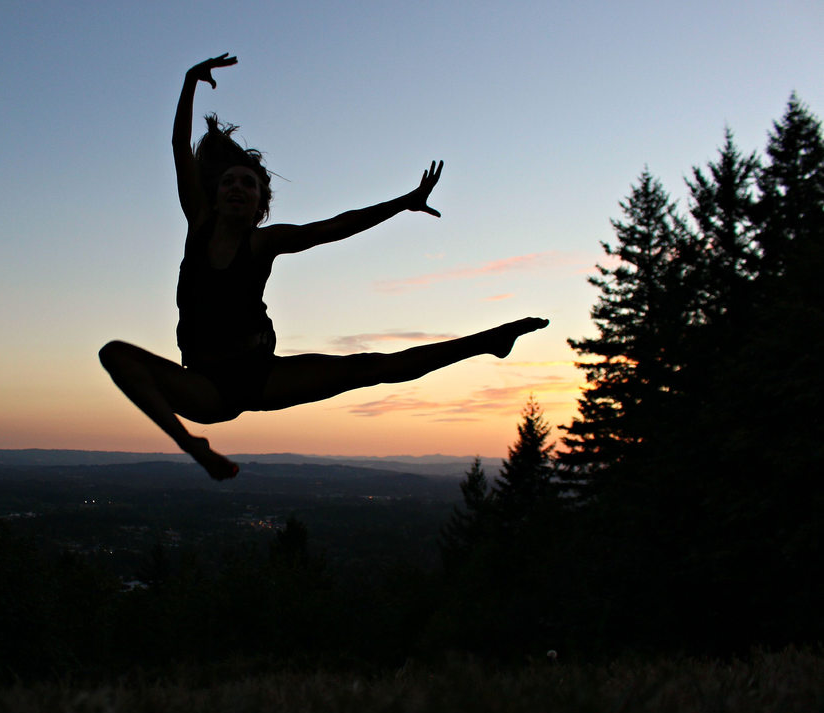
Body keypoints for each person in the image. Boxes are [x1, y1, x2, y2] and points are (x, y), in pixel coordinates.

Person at [100, 54, 548, 480]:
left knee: (372, 367)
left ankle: (489, 340)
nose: (238, 187)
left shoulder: (264, 242)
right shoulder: (198, 223)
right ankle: (193, 445)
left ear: (260, 204)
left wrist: (404, 204)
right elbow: (179, 145)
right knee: (114, 355)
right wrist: (188, 81)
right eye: (230, 182)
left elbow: (337, 227)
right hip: (204, 386)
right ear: (214, 193)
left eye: (249, 184)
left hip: (259, 375)